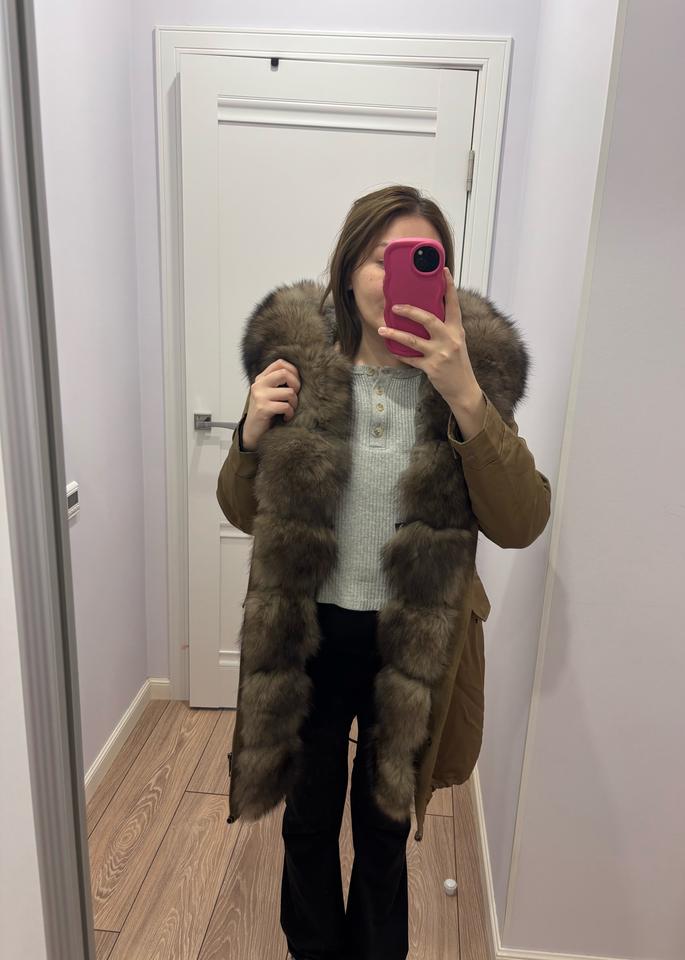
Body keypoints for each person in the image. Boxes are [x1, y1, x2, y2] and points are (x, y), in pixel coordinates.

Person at [217, 185, 552, 960]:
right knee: (306, 819)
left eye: (420, 259)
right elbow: (243, 510)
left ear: (443, 276)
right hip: (308, 638)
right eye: (380, 257)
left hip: (411, 646)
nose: (395, 275)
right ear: (347, 268)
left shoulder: (466, 385)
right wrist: (250, 432)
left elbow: (521, 521)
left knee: (383, 829)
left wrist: (467, 398)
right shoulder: (299, 373)